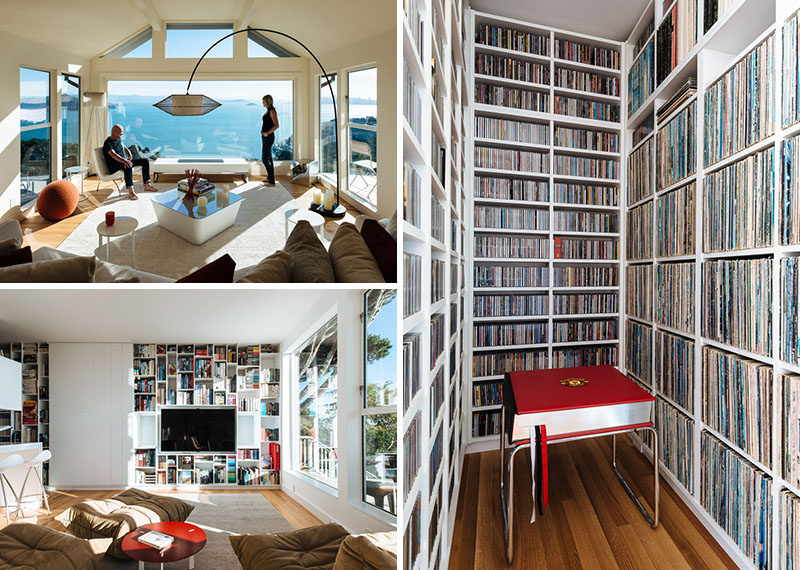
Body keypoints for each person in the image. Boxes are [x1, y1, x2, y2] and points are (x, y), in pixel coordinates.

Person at [103, 124, 156, 200]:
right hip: (114, 166)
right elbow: (113, 155)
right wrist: (125, 160)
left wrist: (128, 151)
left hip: (122, 161)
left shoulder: (118, 138)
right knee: (127, 165)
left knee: (145, 161)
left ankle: (147, 185)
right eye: (121, 132)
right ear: (114, 132)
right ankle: (131, 191)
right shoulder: (107, 143)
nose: (122, 134)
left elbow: (121, 144)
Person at [261, 95, 279, 187]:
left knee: (264, 159)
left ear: (267, 101)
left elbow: (276, 125)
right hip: (265, 137)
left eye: (263, 101)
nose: (262, 103)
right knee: (269, 158)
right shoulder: (268, 110)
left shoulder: (272, 111)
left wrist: (267, 132)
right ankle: (270, 178)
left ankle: (272, 182)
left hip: (268, 137)